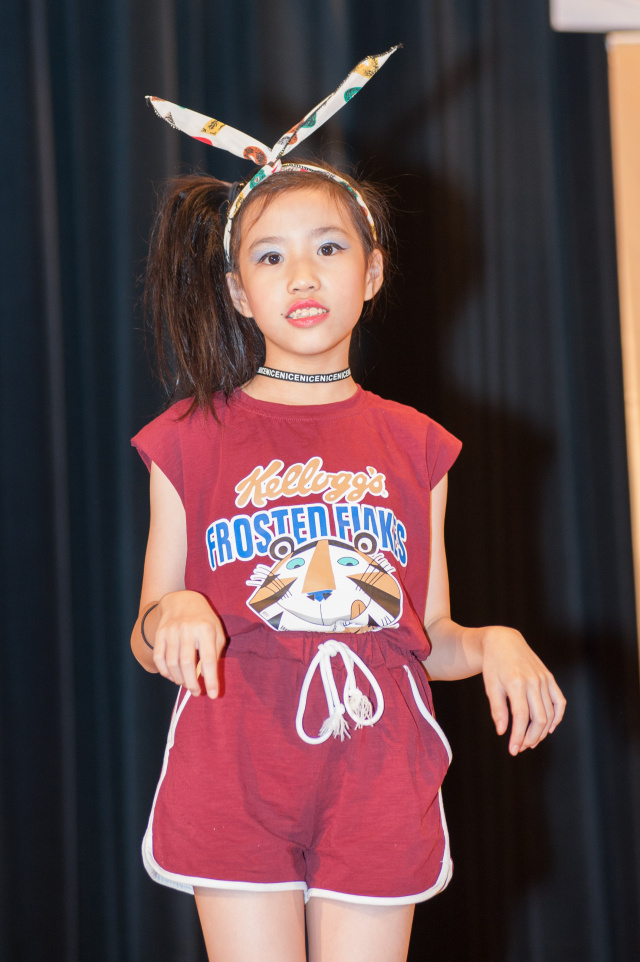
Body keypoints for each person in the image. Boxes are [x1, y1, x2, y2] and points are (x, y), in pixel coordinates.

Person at [130, 48, 565, 962]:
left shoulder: (418, 443)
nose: (302, 275)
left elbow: (426, 635)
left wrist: (494, 642)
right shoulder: (189, 435)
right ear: (237, 291)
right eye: (271, 256)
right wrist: (175, 612)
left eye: (328, 248)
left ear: (372, 272)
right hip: (237, 763)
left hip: (377, 766)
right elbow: (146, 630)